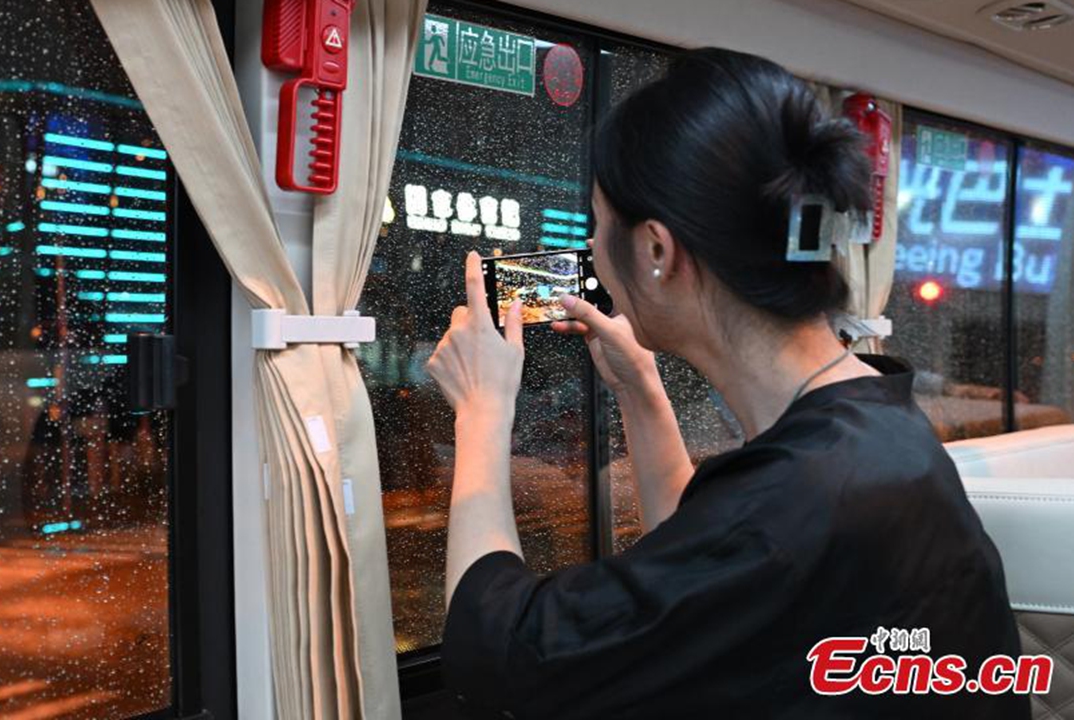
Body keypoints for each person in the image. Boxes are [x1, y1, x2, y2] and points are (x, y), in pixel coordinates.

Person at [424, 48, 1027, 719]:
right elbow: (711, 557)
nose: (593, 247)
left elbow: (502, 660)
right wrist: (642, 391)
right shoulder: (877, 422)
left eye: (598, 224)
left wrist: (482, 412)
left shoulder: (791, 505)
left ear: (656, 250)